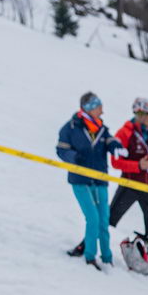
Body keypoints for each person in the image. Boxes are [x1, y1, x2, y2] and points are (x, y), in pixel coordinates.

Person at [70, 96, 148, 260]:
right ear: (142, 115)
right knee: (109, 218)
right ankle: (85, 245)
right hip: (129, 185)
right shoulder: (125, 133)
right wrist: (138, 166)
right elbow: (116, 162)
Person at [56, 91, 121, 269]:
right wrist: (73, 157)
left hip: (100, 180)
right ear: (89, 108)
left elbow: (110, 140)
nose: (102, 110)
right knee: (92, 218)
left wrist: (116, 147)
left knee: (103, 219)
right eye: (98, 106)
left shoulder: (101, 128)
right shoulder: (71, 127)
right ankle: (90, 256)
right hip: (80, 180)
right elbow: (61, 149)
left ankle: (107, 257)